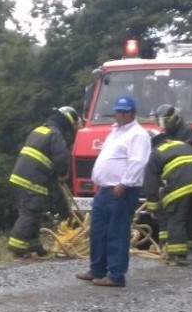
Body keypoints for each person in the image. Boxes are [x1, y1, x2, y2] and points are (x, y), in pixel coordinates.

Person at [75, 95, 151, 287]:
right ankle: (97, 270)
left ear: (132, 113)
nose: (120, 115)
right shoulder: (115, 133)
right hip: (104, 190)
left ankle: (116, 275)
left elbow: (138, 162)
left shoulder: (138, 135)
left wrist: (124, 184)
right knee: (98, 232)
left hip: (121, 190)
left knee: (117, 232)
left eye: (125, 112)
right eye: (118, 111)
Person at [8, 106, 82, 258]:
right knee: (30, 213)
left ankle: (34, 246)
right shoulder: (56, 135)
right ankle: (17, 247)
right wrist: (62, 175)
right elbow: (61, 158)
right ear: (67, 122)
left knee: (33, 213)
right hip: (32, 180)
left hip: (20, 178)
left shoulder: (40, 130)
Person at [143, 129, 192, 266]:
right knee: (188, 217)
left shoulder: (156, 153)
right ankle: (177, 246)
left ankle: (176, 256)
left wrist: (152, 207)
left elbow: (151, 183)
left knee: (176, 218)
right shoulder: (181, 144)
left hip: (180, 188)